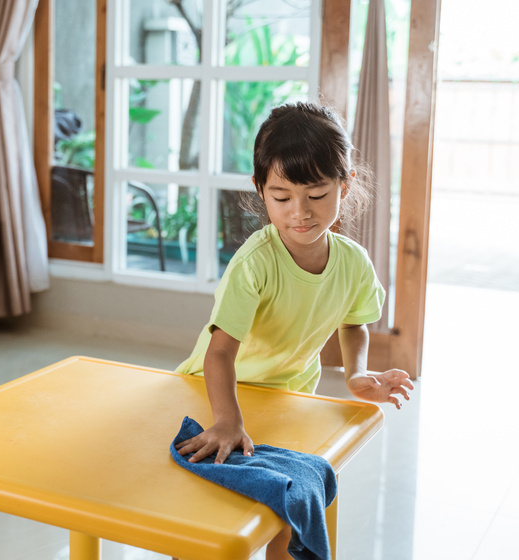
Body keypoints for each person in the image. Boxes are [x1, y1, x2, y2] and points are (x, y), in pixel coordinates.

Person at [173, 101, 414, 560]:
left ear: (345, 185)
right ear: (260, 190)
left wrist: (355, 374)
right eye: (282, 197)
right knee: (205, 521)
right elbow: (219, 354)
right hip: (216, 392)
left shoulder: (353, 264)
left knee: (285, 515)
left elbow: (354, 322)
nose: (300, 212)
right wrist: (227, 420)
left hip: (286, 398)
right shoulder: (255, 262)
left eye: (317, 195)